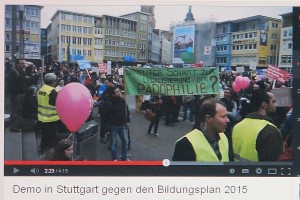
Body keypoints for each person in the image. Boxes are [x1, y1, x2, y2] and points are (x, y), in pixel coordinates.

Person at [232, 90, 284, 162]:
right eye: (273, 102)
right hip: (258, 172)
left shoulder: (237, 126)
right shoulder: (270, 131)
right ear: (264, 105)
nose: (276, 104)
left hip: (238, 171)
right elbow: (273, 163)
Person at [172, 97, 230, 162]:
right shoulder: (185, 144)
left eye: (226, 116)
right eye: (223, 117)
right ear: (208, 119)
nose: (227, 120)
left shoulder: (224, 137)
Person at [104, 86, 130, 161]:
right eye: (117, 92)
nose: (119, 93)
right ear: (113, 94)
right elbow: (106, 115)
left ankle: (124, 156)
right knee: (113, 143)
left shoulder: (122, 100)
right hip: (113, 125)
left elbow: (126, 111)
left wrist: (128, 120)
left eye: (119, 91)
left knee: (125, 141)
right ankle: (114, 158)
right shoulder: (109, 103)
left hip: (122, 124)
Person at [37, 73, 60, 153]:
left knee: (44, 136)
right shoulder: (52, 91)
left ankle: (42, 149)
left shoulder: (41, 89)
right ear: (53, 81)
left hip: (42, 117)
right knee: (51, 138)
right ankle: (48, 153)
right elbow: (57, 103)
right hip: (51, 118)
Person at [6, 59, 27, 132]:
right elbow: (11, 84)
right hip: (16, 95)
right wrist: (15, 92)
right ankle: (12, 126)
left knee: (19, 110)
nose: (24, 65)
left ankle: (17, 125)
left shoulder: (22, 72)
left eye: (24, 63)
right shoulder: (14, 72)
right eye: (22, 63)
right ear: (17, 64)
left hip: (21, 94)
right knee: (15, 110)